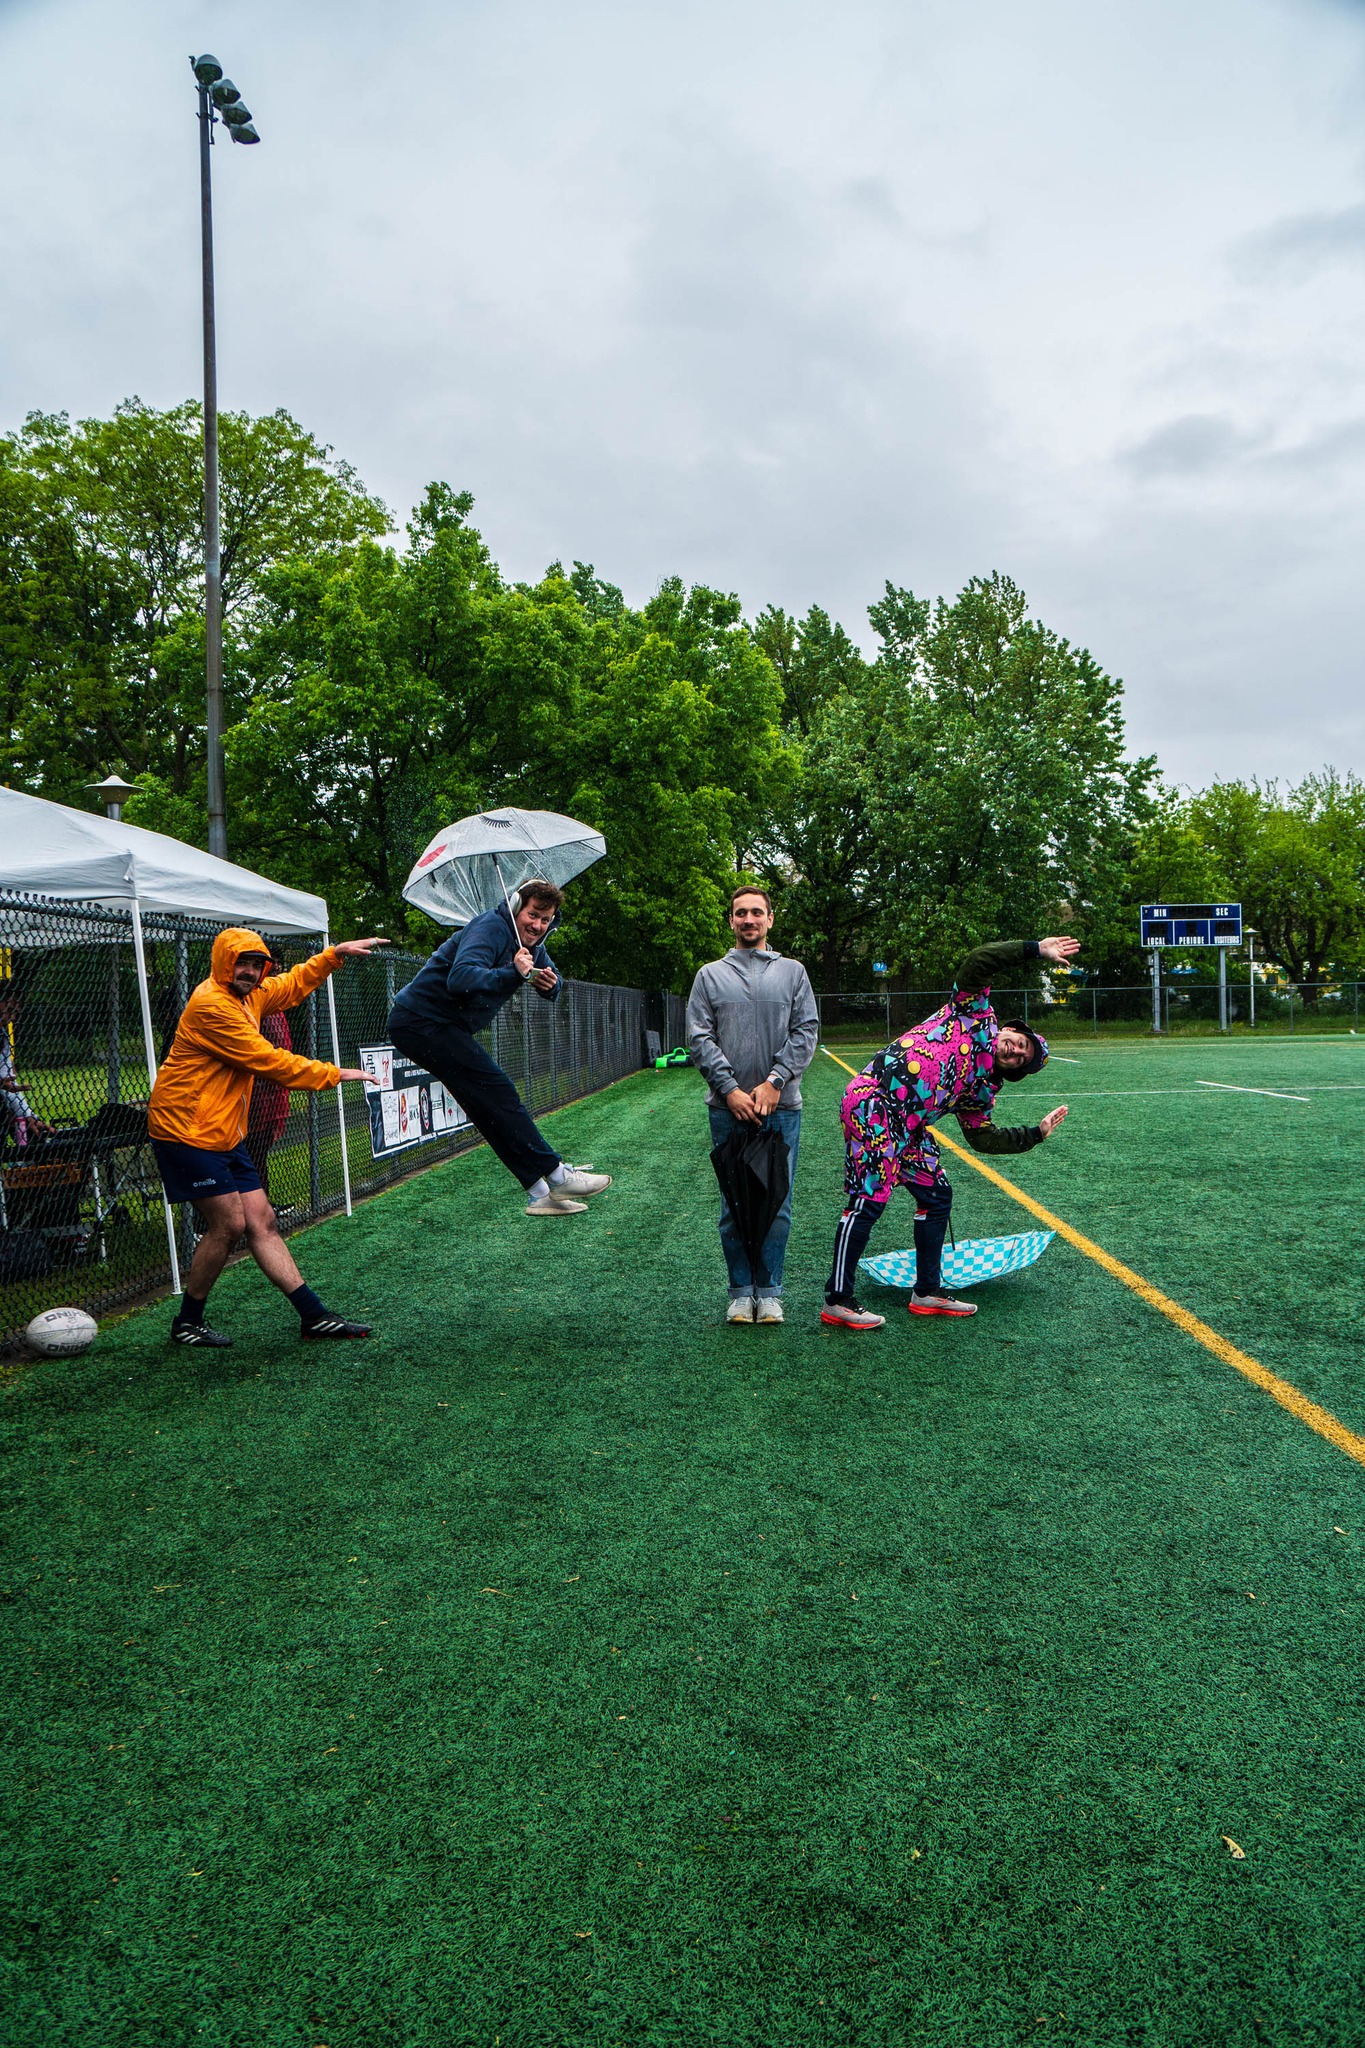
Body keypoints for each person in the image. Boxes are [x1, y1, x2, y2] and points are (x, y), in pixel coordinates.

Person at [821, 935, 1077, 1330]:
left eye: (1021, 1057)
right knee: (869, 1199)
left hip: (909, 1127)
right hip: (873, 1101)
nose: (1014, 1049)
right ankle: (838, 1300)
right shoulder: (974, 1011)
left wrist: (1035, 1134)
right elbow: (978, 961)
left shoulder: (982, 1090)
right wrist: (1034, 949)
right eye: (1019, 1041)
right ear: (1010, 1029)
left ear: (1015, 1071)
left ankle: (927, 1292)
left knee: (937, 1194)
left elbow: (983, 1138)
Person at [149, 927, 388, 1349]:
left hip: (223, 1130)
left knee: (262, 1221)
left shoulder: (250, 995)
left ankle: (314, 1317)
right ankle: (187, 1322)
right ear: (224, 962)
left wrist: (333, 954)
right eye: (242, 962)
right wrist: (333, 1073)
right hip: (186, 1130)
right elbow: (267, 1060)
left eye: (257, 964)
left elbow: (291, 985)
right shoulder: (212, 1006)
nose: (250, 971)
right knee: (230, 1224)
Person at [386, 880, 611, 1216]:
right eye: (532, 915)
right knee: (499, 1092)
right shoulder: (489, 927)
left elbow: (550, 976)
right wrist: (513, 973)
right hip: (420, 1021)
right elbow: (460, 978)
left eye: (546, 919)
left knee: (485, 1106)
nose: (537, 925)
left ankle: (539, 1194)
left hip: (440, 1027)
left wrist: (551, 984)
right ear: (516, 905)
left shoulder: (531, 943)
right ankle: (558, 1174)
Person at [686, 884, 819, 1324]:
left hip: (781, 1108)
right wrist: (730, 1089)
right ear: (731, 920)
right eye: (740, 913)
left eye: (756, 912)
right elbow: (698, 1037)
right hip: (728, 1110)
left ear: (770, 919)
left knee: (776, 1203)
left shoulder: (794, 973)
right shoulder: (709, 975)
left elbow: (806, 1031)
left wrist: (775, 1081)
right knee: (734, 1205)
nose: (749, 920)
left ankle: (772, 1291)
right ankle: (741, 1292)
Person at [243, 949, 293, 1204]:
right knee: (250, 1153)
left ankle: (263, 1205)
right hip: (254, 1092)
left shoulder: (273, 1001)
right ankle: (256, 1207)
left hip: (272, 1090)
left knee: (259, 1152)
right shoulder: (250, 1002)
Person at [0, 978, 52, 1152]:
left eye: (15, 1012)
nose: (11, 1017)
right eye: (8, 1010)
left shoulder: (2, 1037)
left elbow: (9, 1082)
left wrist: (28, 1114)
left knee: (22, 1124)